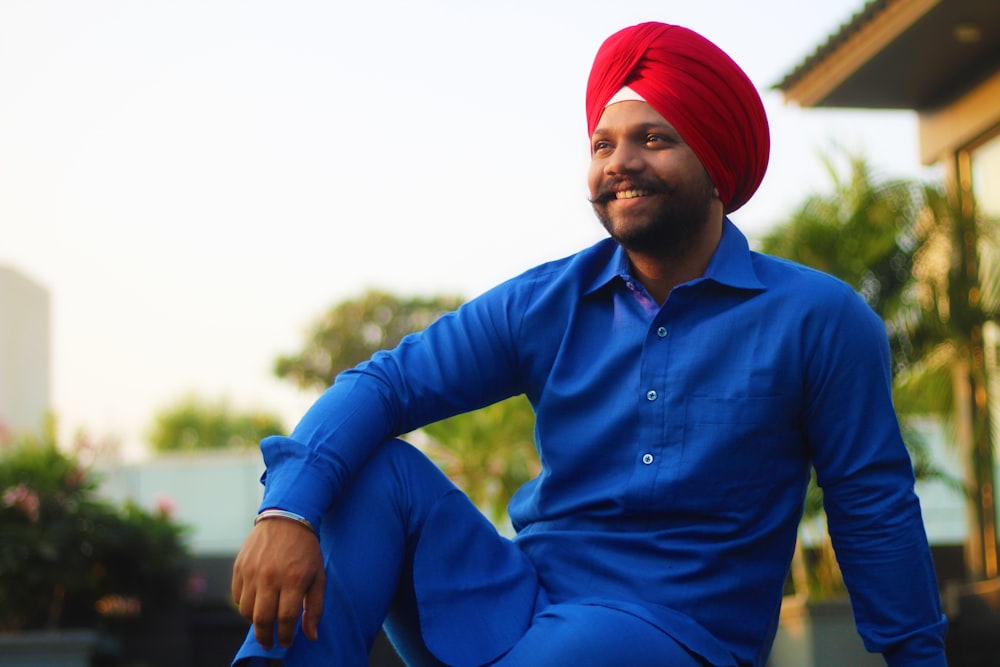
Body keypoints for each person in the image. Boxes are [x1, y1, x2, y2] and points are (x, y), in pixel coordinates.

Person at [231, 21, 947, 667]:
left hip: (678, 635)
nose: (620, 162)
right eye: (604, 143)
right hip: (522, 607)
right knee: (367, 471)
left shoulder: (816, 317)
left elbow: (872, 505)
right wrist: (285, 510)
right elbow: (384, 383)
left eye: (654, 139)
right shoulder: (548, 300)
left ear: (715, 165)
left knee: (589, 644)